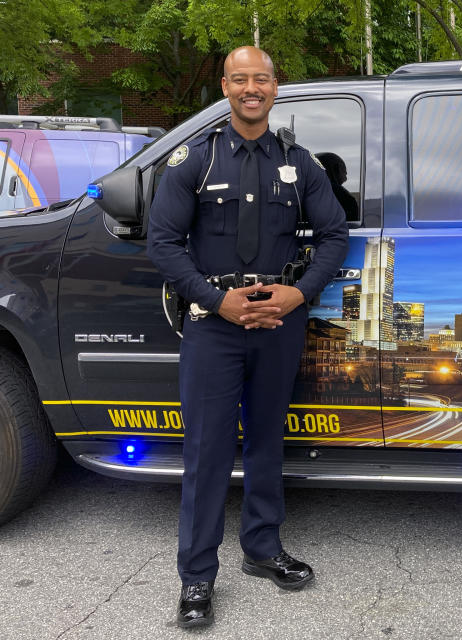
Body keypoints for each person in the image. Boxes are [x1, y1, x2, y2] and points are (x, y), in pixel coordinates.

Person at [147, 46, 349, 629]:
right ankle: (196, 578)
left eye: (261, 79)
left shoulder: (300, 163)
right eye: (241, 80)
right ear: (226, 87)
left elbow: (333, 234)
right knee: (207, 452)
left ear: (274, 87)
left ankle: (262, 549)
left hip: (279, 323)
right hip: (214, 325)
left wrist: (299, 293)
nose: (251, 88)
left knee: (266, 441)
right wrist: (218, 302)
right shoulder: (196, 160)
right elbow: (162, 241)